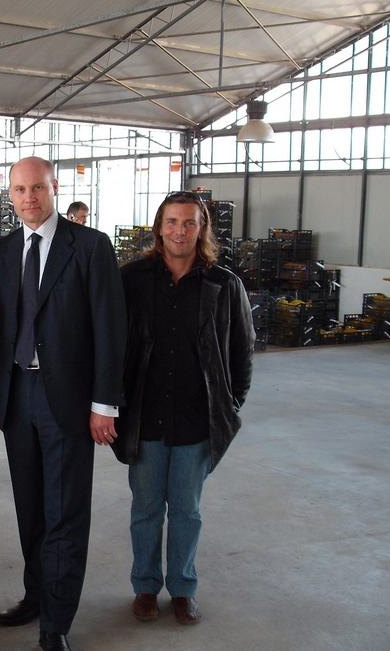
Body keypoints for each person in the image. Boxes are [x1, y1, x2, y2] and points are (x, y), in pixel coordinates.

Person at [0, 157, 126, 651]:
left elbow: (110, 326)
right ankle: (35, 595)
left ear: (54, 188)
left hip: (66, 398)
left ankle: (57, 621)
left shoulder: (89, 246)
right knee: (30, 506)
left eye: (38, 188)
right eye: (20, 190)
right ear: (10, 195)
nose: (29, 198)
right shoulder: (1, 250)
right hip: (17, 395)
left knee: (65, 509)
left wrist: (104, 403)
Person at [111, 191, 255, 627]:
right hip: (145, 416)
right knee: (146, 509)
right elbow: (111, 343)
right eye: (172, 221)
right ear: (159, 227)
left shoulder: (224, 284)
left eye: (190, 222)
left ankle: (183, 588)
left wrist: (231, 403)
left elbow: (242, 349)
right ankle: (145, 586)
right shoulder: (132, 279)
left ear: (202, 229)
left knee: (187, 511)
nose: (180, 231)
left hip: (196, 419)